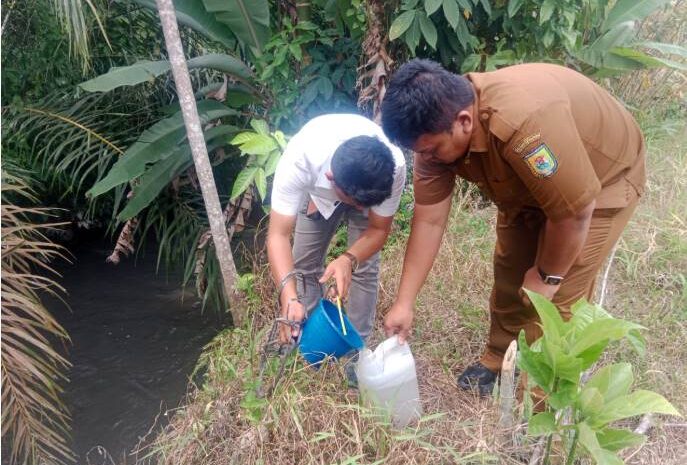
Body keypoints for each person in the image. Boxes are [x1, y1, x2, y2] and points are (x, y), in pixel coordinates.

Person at [380, 59, 645, 396]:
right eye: (421, 152)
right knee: (511, 272)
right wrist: (404, 302)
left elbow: (574, 212)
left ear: (464, 121)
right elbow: (430, 219)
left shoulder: (522, 124)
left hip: (601, 183)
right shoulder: (434, 138)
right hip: (528, 192)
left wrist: (549, 275)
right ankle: (497, 357)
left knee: (557, 304)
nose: (426, 159)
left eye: (431, 150)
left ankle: (538, 405)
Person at [267, 114, 406, 381]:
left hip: (362, 186)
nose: (362, 210)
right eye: (356, 204)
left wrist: (348, 258)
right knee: (304, 266)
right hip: (318, 195)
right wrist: (288, 297)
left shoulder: (392, 167)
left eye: (366, 205)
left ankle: (357, 355)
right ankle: (305, 341)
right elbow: (278, 235)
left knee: (364, 268)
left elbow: (378, 229)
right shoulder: (300, 160)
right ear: (331, 179)